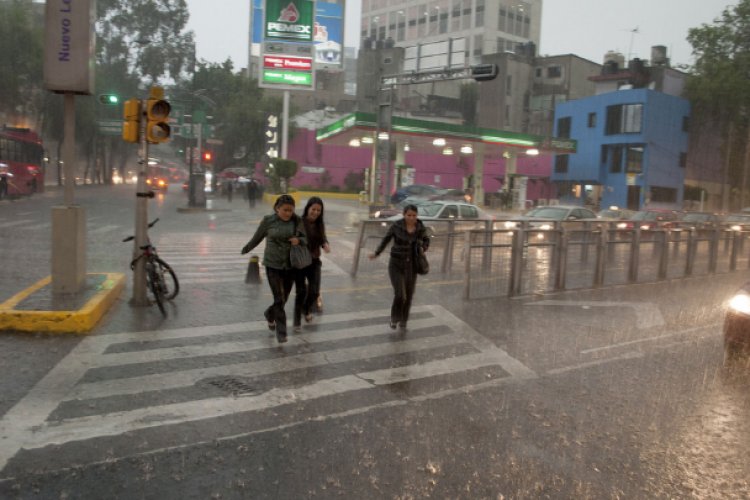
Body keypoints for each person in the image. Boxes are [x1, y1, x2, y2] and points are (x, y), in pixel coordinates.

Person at [241, 194, 306, 343]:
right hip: (272, 265)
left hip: (290, 265)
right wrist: (247, 248)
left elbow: (305, 239)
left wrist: (298, 240)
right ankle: (281, 332)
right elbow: (257, 237)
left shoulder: (297, 221)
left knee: (283, 300)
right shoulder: (268, 221)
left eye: (291, 210)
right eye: (285, 210)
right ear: (277, 208)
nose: (288, 213)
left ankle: (270, 314)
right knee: (278, 298)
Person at [369, 204, 430, 330]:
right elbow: (386, 240)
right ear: (404, 215)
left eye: (414, 215)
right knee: (400, 294)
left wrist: (423, 248)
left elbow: (426, 240)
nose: (411, 218)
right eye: (409, 215)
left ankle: (404, 320)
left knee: (408, 294)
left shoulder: (420, 227)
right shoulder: (397, 226)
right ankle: (394, 318)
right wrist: (377, 253)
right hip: (396, 264)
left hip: (412, 265)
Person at [293, 197, 330, 332]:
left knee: (314, 292)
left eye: (318, 210)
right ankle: (297, 322)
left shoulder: (320, 224)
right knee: (301, 292)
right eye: (313, 209)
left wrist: (325, 244)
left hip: (314, 262)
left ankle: (306, 309)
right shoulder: (299, 223)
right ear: (307, 208)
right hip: (301, 262)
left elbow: (322, 237)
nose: (315, 212)